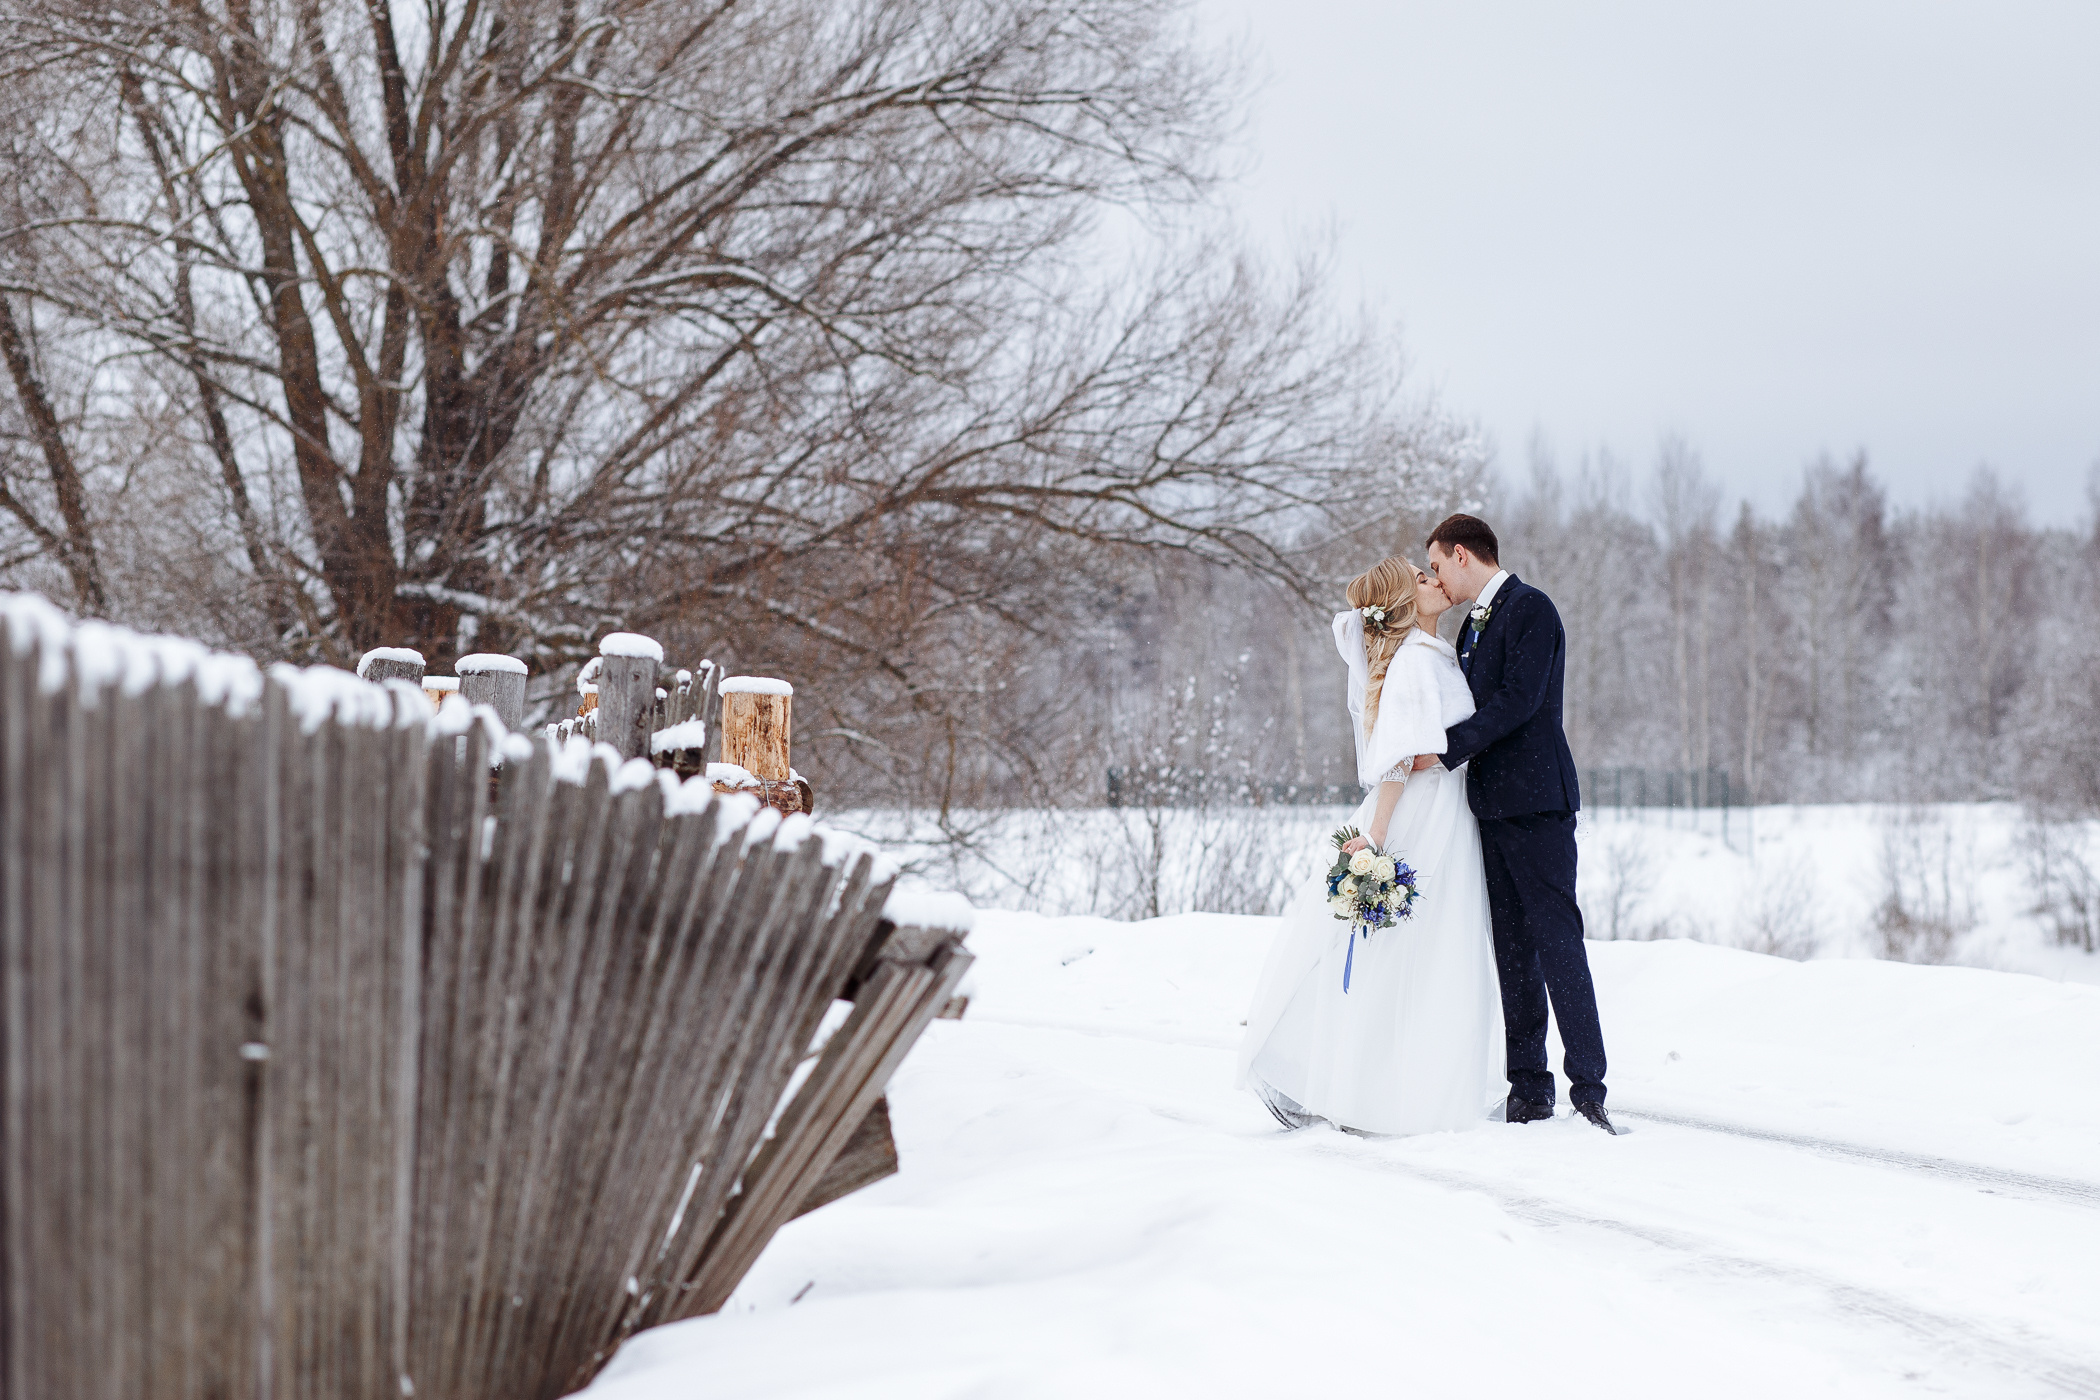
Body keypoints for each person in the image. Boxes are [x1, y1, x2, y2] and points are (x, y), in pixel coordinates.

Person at [1236, 557, 1503, 1135]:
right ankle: (1353, 1081)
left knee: (1426, 951)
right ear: (1406, 603)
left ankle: (1403, 1082)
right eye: (1422, 577)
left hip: (1448, 810)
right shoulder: (1412, 663)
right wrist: (1379, 834)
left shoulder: (1433, 654)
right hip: (1423, 814)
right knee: (1407, 950)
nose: (1435, 580)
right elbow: (1400, 755)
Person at [1420, 513, 1614, 1133]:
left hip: (1538, 805)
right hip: (1491, 808)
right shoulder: (1469, 630)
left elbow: (1518, 701)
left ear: (1461, 555)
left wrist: (1445, 748)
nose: (1434, 579)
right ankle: (1528, 1088)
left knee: (1559, 944)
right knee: (1512, 953)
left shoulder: (1532, 609)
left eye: (1435, 566)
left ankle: (1589, 1089)